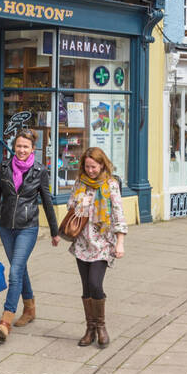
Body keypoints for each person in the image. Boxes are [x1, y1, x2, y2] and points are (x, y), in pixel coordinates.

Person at [0, 129, 60, 342]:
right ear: (13, 147)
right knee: (20, 267)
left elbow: (47, 201)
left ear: (33, 149)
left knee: (15, 271)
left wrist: (55, 231)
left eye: (26, 147)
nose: (22, 150)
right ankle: (30, 308)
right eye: (18, 146)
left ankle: (6, 320)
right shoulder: (4, 167)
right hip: (6, 227)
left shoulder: (40, 171)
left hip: (28, 227)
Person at [67, 147, 126, 347]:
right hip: (83, 241)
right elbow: (70, 207)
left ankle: (101, 326)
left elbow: (118, 213)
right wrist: (78, 202)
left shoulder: (111, 185)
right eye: (87, 166)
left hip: (102, 242)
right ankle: (90, 329)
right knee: (86, 287)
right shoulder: (79, 183)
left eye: (94, 166)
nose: (90, 170)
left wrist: (120, 242)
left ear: (102, 165)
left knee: (95, 283)